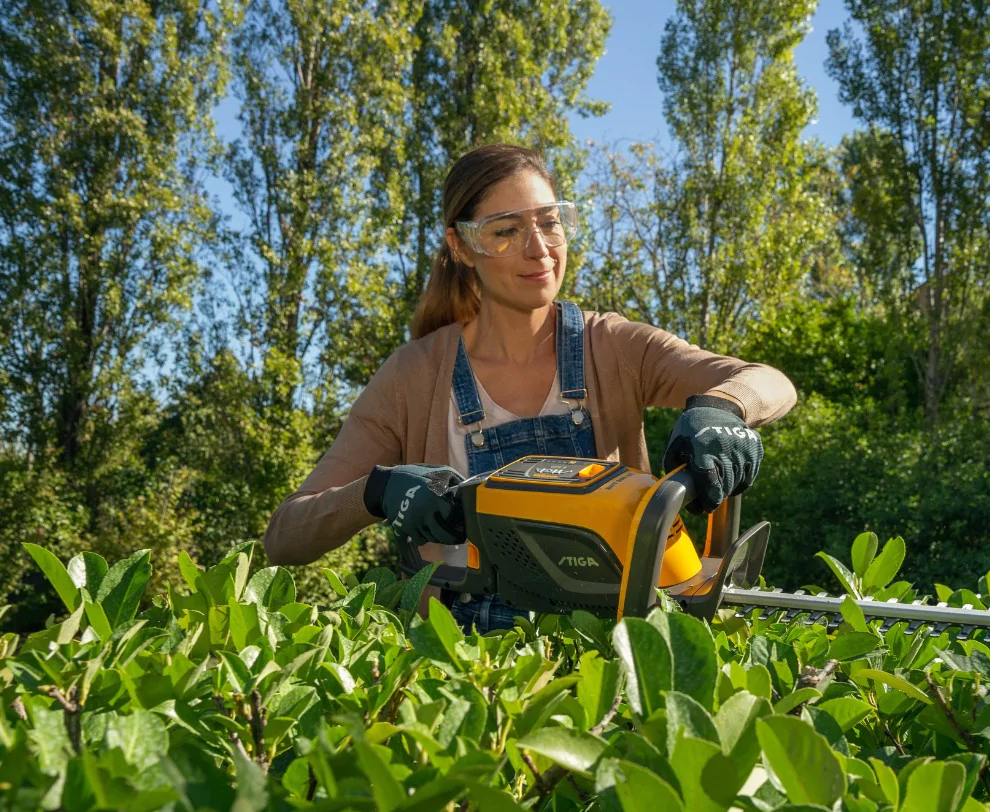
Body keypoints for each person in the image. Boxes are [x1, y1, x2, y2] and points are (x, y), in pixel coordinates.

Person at [262, 142, 797, 632]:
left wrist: (723, 408)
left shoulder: (609, 346)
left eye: (549, 222)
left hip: (613, 643)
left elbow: (770, 382)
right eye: (506, 230)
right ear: (462, 245)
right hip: (466, 670)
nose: (539, 249)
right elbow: (286, 536)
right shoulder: (414, 375)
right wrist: (378, 493)